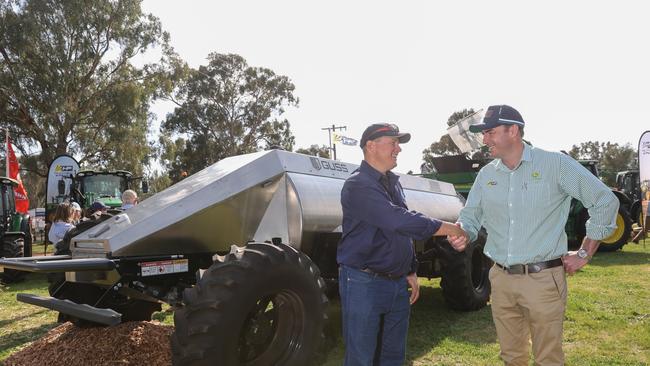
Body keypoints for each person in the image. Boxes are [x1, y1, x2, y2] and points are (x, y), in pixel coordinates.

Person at [448, 105, 619, 366]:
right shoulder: (486, 175)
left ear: (513, 131)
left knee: (548, 359)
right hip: (501, 280)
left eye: (490, 132)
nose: (484, 140)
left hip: (543, 281)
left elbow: (604, 200)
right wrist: (464, 232)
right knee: (511, 357)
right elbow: (471, 216)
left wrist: (585, 252)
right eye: (483, 134)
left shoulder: (555, 164)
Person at [338, 123, 466, 366]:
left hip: (396, 283)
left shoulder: (393, 182)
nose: (398, 149)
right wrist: (449, 228)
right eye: (393, 142)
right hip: (364, 283)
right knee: (361, 358)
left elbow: (398, 234)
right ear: (371, 146)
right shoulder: (358, 185)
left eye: (399, 143)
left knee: (393, 357)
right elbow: (398, 220)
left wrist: (410, 269)